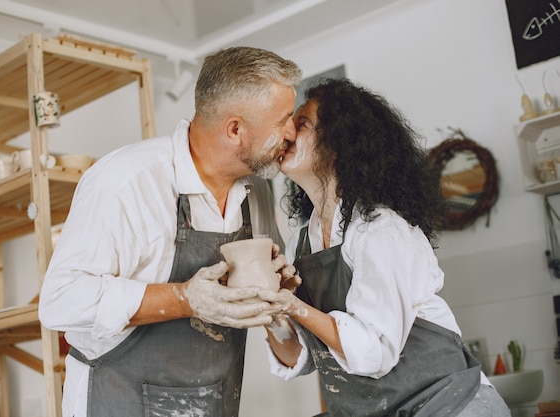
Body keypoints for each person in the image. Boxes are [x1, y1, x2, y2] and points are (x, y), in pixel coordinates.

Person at [38, 46, 302, 417]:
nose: (292, 133)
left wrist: (281, 307)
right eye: (283, 120)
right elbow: (59, 301)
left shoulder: (254, 191)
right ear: (235, 130)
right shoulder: (125, 181)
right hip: (119, 401)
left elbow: (286, 344)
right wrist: (185, 298)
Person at [259, 78, 511, 416]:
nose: (287, 132)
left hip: (449, 405)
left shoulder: (382, 230)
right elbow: (300, 359)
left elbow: (374, 352)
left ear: (338, 145)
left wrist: (294, 306)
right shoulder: (300, 246)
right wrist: (273, 312)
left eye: (301, 123)